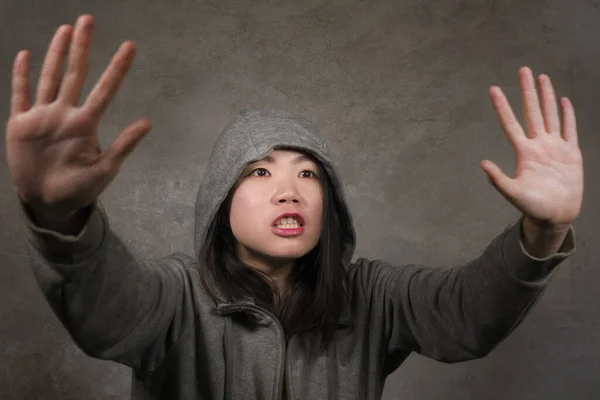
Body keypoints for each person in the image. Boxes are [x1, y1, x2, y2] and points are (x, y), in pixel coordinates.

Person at [6, 13, 582, 400]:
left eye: (309, 174)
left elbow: (468, 318)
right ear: (219, 203)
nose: (291, 190)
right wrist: (60, 218)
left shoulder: (372, 295)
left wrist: (543, 229)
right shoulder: (175, 296)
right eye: (259, 172)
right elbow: (107, 313)